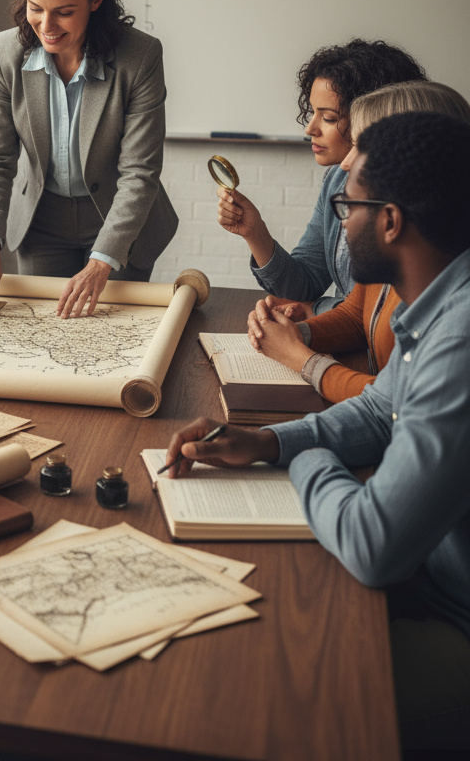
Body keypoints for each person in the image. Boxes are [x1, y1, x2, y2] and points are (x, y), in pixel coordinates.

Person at [167, 111, 470, 751]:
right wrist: (266, 442)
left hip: (453, 618)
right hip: (430, 578)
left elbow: (373, 543)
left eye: (347, 204)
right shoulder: (441, 299)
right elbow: (377, 409)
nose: (340, 220)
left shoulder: (461, 339)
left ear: (390, 222)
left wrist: (301, 465)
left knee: (257, 694)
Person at [0, 0, 178, 319]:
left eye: (64, 12)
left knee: (109, 334)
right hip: (41, 219)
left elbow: (139, 172)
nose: (46, 25)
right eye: (35, 8)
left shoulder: (141, 56)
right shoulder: (5, 52)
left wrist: (102, 262)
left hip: (118, 216)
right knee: (44, 331)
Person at [246, 82, 470, 403]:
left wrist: (300, 357)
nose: (347, 162)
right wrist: (299, 333)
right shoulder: (393, 253)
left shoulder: (445, 298)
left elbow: (392, 405)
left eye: (362, 146)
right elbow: (357, 314)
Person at [216, 39, 427, 314]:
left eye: (328, 118)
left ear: (374, 117)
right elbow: (305, 283)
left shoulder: (409, 197)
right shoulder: (335, 180)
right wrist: (255, 232)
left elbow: (378, 315)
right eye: (312, 112)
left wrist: (314, 310)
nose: (310, 128)